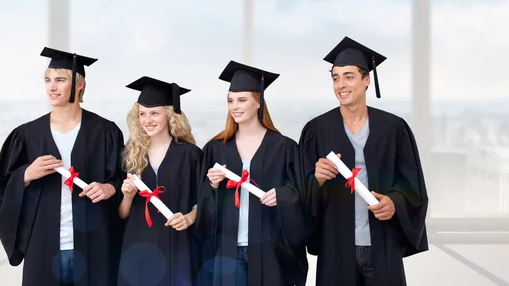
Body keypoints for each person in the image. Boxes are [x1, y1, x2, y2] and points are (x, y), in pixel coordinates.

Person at [0, 47, 125, 286]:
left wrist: (110, 188)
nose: (51, 87)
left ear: (79, 84)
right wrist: (26, 174)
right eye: (47, 80)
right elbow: (1, 186)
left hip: (95, 246)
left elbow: (123, 180)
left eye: (60, 80)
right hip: (43, 246)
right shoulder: (27, 135)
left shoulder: (105, 132)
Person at [299, 36, 429, 285]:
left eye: (348, 76)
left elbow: (414, 187)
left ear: (366, 80)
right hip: (335, 247)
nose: (340, 85)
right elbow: (297, 191)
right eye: (335, 77)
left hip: (382, 246)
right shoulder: (317, 130)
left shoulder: (393, 128)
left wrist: (395, 202)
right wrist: (314, 178)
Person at [196, 61, 308, 286]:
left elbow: (303, 194)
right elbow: (202, 205)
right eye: (230, 100)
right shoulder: (215, 148)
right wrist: (213, 186)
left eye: (242, 100)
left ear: (258, 102)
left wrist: (284, 195)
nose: (234, 106)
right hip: (228, 250)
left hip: (271, 251)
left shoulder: (285, 148)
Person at [117, 76, 203, 286]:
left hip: (178, 245)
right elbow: (121, 214)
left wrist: (190, 217)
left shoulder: (190, 155)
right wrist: (127, 197)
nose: (148, 120)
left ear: (170, 115)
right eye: (142, 114)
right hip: (138, 245)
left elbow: (206, 201)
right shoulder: (131, 157)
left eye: (154, 113)